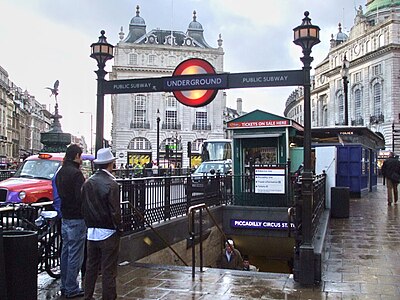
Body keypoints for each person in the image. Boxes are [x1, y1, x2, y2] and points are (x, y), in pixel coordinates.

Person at [82, 147, 123, 300]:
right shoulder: (112, 184)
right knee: (108, 269)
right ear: (110, 164)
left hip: (91, 232)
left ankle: (88, 296)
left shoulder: (88, 182)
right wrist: (119, 228)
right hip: (108, 232)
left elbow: (83, 207)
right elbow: (115, 211)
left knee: (91, 267)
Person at [55, 144, 86, 298]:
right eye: (80, 156)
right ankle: (72, 287)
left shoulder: (60, 172)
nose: (81, 159)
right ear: (76, 156)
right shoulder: (76, 174)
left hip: (65, 216)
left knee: (65, 252)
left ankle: (64, 285)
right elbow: (80, 197)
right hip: (77, 217)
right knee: (75, 254)